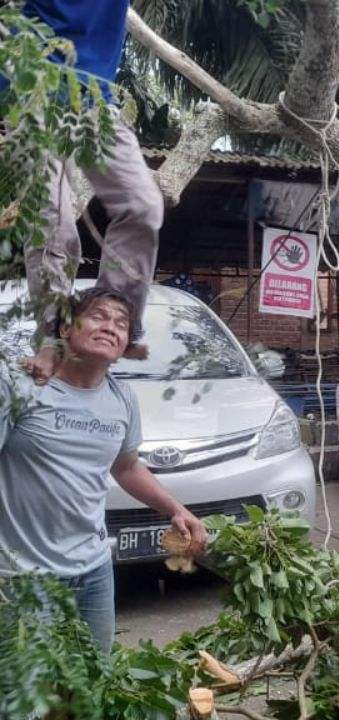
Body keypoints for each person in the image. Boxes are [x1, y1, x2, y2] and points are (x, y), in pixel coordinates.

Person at [0, 288, 207, 654]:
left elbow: (126, 467)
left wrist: (177, 509)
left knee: (95, 685)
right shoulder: (20, 387)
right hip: (23, 577)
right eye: (98, 316)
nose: (110, 327)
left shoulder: (121, 398)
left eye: (121, 324)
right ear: (64, 330)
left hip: (94, 569)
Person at [10, 0, 164, 384]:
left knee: (143, 207)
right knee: (53, 223)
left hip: (96, 101)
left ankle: (113, 316)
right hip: (29, 97)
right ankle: (53, 339)